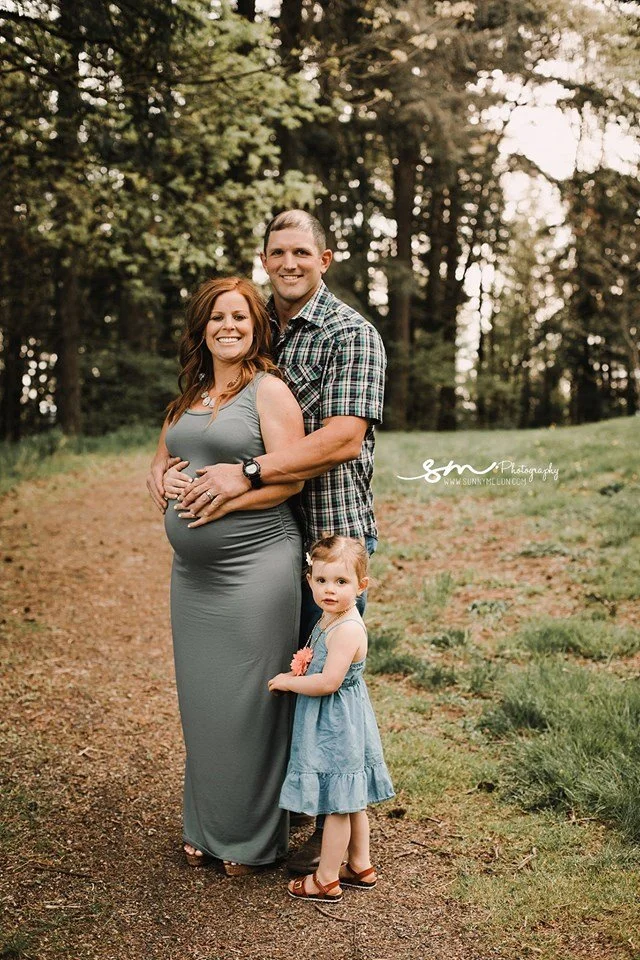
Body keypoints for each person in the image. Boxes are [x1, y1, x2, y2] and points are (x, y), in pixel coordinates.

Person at [147, 209, 386, 872]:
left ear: (325, 257)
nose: (289, 262)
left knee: (316, 689)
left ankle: (333, 832)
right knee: (241, 695)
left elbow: (341, 438)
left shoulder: (349, 333)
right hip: (221, 566)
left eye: (301, 251)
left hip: (327, 540)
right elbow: (194, 423)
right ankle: (244, 815)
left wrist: (242, 476)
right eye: (277, 251)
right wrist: (158, 467)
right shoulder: (259, 328)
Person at [159, 276, 305, 875]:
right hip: (191, 577)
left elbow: (291, 478)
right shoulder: (189, 394)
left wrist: (223, 501)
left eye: (240, 318)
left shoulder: (268, 391)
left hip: (257, 568)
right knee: (203, 701)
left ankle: (248, 840)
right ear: (202, 327)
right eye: (218, 317)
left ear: (256, 327)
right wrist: (160, 481)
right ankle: (205, 826)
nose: (229, 327)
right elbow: (165, 455)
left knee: (250, 702)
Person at [268, 536, 395, 902]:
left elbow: (329, 682)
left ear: (361, 586)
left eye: (341, 582)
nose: (330, 590)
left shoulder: (348, 628)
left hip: (338, 722)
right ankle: (360, 864)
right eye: (322, 580)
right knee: (351, 796)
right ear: (309, 580)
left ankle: (325, 879)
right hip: (340, 718)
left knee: (338, 803)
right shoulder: (332, 617)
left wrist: (291, 681)